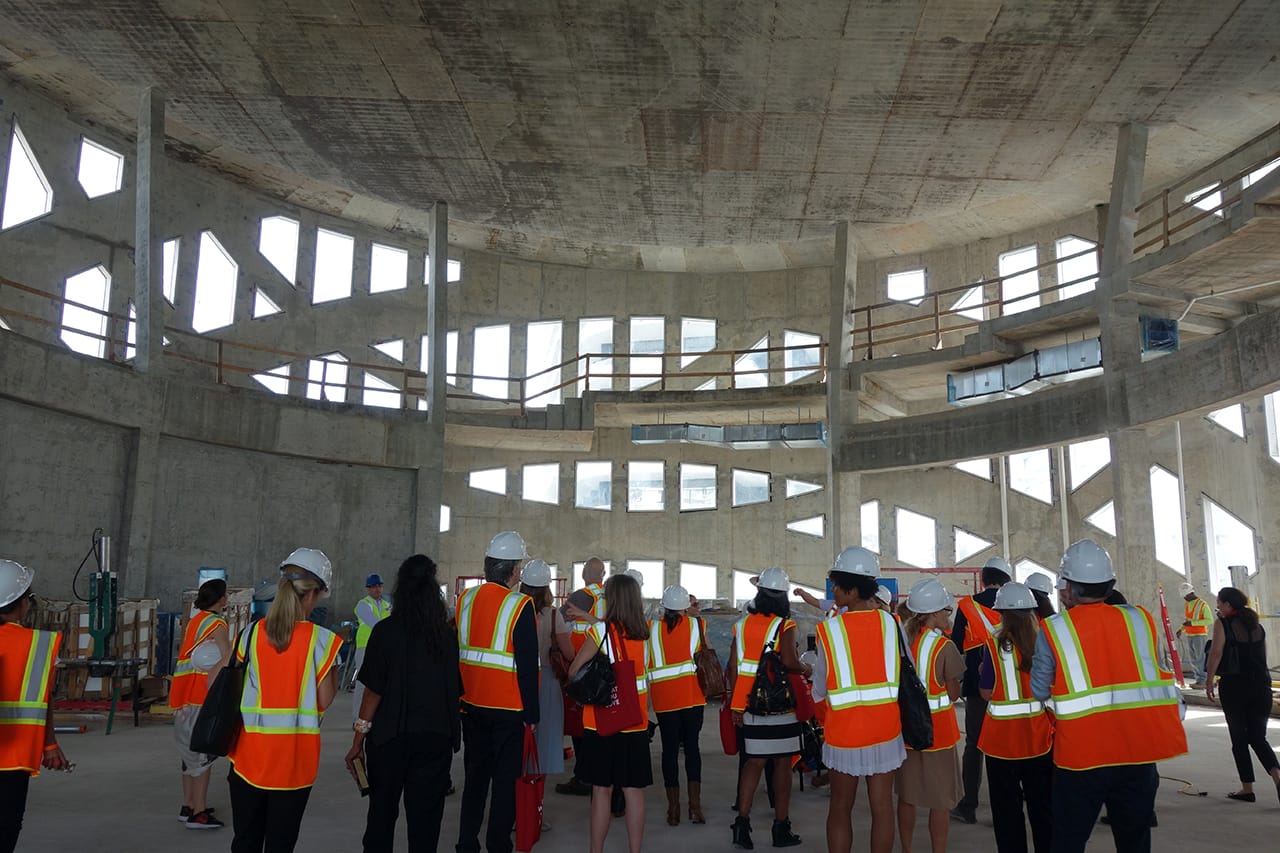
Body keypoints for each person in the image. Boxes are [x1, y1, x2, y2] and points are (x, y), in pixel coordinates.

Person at [1030, 539, 1187, 853]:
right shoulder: (1140, 620)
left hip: (1081, 759)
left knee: (1068, 842)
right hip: (1139, 754)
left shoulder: (1055, 629)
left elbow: (1038, 690)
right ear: (1109, 583)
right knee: (1135, 842)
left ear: (1069, 588)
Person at [227, 548, 342, 853]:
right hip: (293, 765)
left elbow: (225, 683)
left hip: (248, 761)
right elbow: (325, 699)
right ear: (313, 594)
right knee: (281, 845)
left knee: (245, 841)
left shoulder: (250, 634)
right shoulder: (322, 641)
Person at [344, 554, 460, 853]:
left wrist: (358, 740)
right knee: (425, 822)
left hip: (388, 739)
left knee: (381, 815)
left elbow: (373, 693)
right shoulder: (445, 636)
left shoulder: (386, 632)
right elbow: (454, 689)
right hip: (435, 739)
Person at [813, 547, 903, 853]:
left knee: (840, 807)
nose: (834, 590)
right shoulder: (892, 623)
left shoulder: (829, 630)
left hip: (844, 734)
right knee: (882, 809)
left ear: (852, 589)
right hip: (885, 732)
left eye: (837, 585)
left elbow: (819, 690)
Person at [455, 531, 539, 853]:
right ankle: (498, 844)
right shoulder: (520, 605)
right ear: (515, 570)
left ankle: (466, 843)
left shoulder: (466, 599)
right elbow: (529, 668)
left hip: (472, 705)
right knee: (504, 785)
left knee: (475, 780)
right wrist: (532, 715)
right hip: (509, 710)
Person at [567, 574, 652, 853]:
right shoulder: (647, 634)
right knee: (633, 790)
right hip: (635, 722)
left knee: (602, 790)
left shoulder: (599, 633)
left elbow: (573, 671)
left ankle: (596, 851)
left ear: (611, 600)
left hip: (601, 723)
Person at [727, 567, 806, 849]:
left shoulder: (742, 624)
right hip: (779, 706)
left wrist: (736, 705)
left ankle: (742, 825)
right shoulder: (785, 625)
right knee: (782, 766)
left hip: (749, 704)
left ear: (759, 593)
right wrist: (808, 667)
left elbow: (734, 668)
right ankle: (780, 828)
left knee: (753, 763)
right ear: (783, 596)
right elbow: (789, 662)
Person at [0, 559, 70, 853]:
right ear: (22, 603)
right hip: (14, 756)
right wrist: (50, 745)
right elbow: (44, 696)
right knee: (5, 828)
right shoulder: (37, 644)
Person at [978, 583, 1053, 853]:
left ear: (1002, 614)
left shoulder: (992, 646)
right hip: (1039, 739)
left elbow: (986, 693)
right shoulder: (1045, 642)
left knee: (1007, 812)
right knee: (1043, 809)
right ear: (1031, 611)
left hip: (1001, 744)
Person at [896, 579, 963, 853]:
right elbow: (953, 694)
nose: (949, 614)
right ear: (935, 613)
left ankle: (907, 849)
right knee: (940, 801)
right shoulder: (944, 647)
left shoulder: (903, 642)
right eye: (947, 610)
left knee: (907, 797)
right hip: (940, 735)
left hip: (908, 731)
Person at [1205, 586, 1280, 803]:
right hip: (1261, 687)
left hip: (1235, 687)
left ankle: (1247, 788)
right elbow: (1262, 658)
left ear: (1228, 604)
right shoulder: (1257, 626)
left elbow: (1216, 653)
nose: (1217, 606)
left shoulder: (1223, 624)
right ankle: (1277, 777)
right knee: (1258, 737)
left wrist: (1209, 680)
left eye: (1219, 602)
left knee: (1239, 738)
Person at [950, 555, 1011, 824]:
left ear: (983, 579)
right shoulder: (1016, 604)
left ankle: (968, 805)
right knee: (1007, 744)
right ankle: (1008, 804)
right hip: (1011, 687)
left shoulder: (966, 605)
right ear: (1007, 580)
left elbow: (956, 644)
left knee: (975, 743)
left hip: (978, 688)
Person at [170, 578, 231, 829]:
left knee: (189, 757)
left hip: (182, 697)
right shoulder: (216, 624)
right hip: (200, 698)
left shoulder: (196, 620)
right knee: (202, 758)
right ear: (221, 599)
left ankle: (188, 805)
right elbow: (227, 658)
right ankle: (200, 813)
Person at [646, 584, 707, 826]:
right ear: (685, 607)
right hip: (693, 697)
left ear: (664, 607)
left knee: (669, 752)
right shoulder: (698, 625)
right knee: (692, 749)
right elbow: (706, 652)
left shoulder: (651, 629)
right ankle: (695, 807)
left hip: (665, 699)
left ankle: (673, 810)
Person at [520, 559, 573, 808]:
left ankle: (517, 806)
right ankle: (535, 809)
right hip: (548, 682)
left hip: (519, 682)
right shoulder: (554, 616)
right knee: (543, 745)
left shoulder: (516, 610)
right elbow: (569, 652)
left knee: (520, 746)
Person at [556, 556, 607, 797]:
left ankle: (583, 776)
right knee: (599, 724)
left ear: (586, 573)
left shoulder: (580, 597)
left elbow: (558, 625)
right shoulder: (612, 597)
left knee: (580, 725)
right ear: (604, 574)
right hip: (604, 665)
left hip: (581, 662)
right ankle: (597, 772)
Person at [351, 572, 392, 713]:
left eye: (379, 586)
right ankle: (357, 717)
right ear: (368, 589)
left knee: (381, 684)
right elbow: (375, 623)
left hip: (382, 649)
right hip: (365, 648)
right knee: (362, 684)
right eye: (374, 586)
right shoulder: (363, 605)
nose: (377, 589)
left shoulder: (388, 605)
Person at [1176, 582, 1212, 687]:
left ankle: (1203, 680)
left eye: (1185, 596)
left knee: (1200, 658)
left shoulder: (1203, 605)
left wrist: (1193, 624)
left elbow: (1209, 620)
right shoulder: (1187, 604)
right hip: (1190, 635)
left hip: (1200, 635)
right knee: (1194, 658)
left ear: (1190, 594)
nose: (1184, 599)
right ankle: (1199, 679)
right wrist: (1181, 629)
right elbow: (1188, 619)